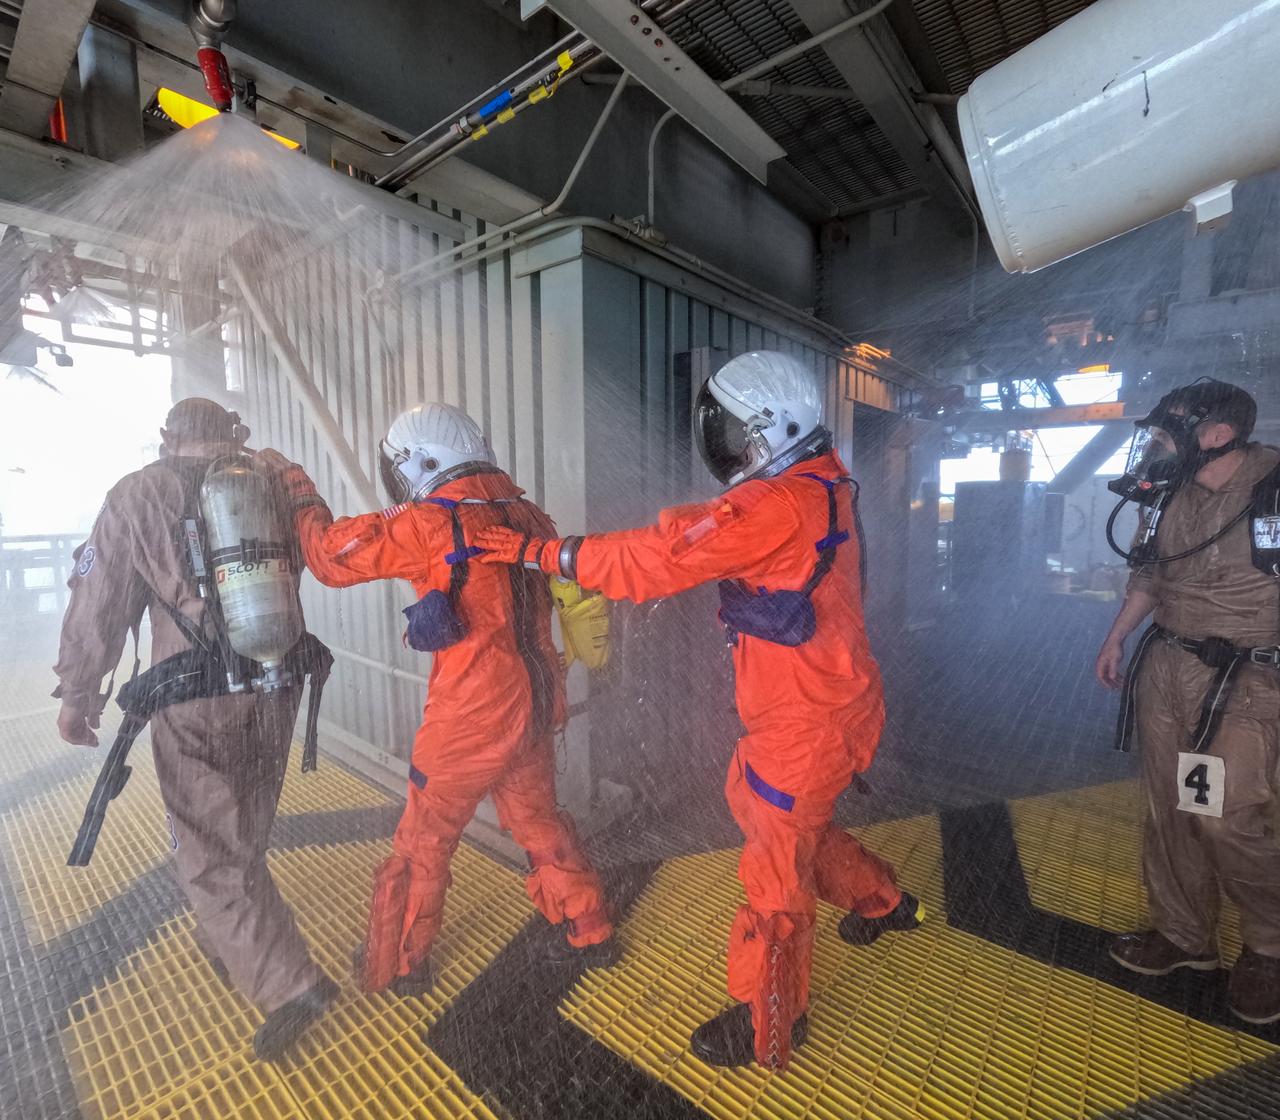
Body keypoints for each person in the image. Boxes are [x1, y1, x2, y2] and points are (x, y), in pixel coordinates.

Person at [473, 351, 922, 1071]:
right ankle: (883, 901)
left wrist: (549, 555)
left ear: (773, 431)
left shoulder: (778, 504)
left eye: (736, 433)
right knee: (766, 813)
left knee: (774, 869)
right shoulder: (822, 482)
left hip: (807, 719)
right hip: (819, 705)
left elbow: (661, 556)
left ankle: (772, 1019)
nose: (728, 449)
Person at [256, 402, 615, 997]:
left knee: (424, 840)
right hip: (534, 701)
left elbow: (329, 559)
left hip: (471, 716)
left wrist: (297, 489)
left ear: (422, 463)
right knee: (539, 822)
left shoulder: (429, 523)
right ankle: (590, 928)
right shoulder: (528, 514)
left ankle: (405, 962)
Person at [54, 397, 337, 1061]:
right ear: (233, 434)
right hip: (278, 678)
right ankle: (227, 939)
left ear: (167, 437)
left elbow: (99, 603)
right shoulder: (268, 480)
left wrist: (79, 694)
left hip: (195, 694)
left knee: (208, 846)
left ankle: (292, 986)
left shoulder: (138, 494)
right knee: (245, 824)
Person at [1096, 379, 1280, 1025]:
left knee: (1224, 815)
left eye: (1169, 428)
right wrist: (1117, 636)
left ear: (1218, 434)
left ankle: (1270, 944)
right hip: (1167, 664)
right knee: (1169, 808)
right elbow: (1150, 572)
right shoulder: (1169, 488)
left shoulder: (1273, 490)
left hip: (1246, 677)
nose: (1157, 439)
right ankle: (1184, 935)